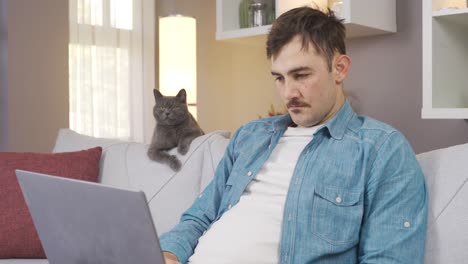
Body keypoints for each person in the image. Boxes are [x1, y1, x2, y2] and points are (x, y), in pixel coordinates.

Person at [160, 6, 427, 264]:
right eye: (279, 78)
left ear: (340, 68)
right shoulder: (250, 136)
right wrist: (169, 254)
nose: (288, 93)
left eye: (300, 75)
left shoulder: (382, 150)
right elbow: (199, 217)